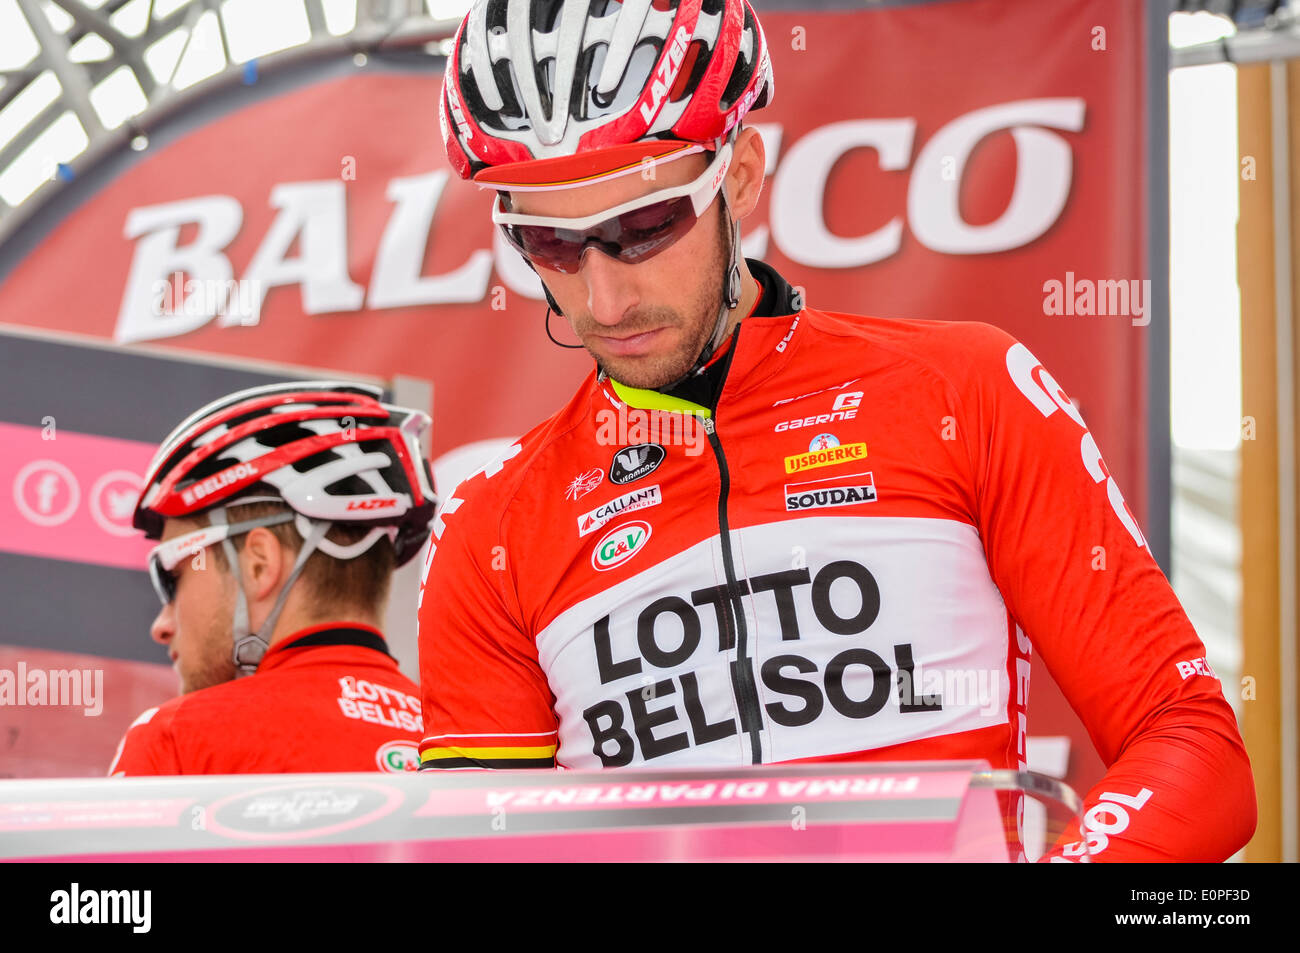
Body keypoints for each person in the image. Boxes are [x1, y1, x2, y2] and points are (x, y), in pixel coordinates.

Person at [418, 0, 1255, 861]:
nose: (602, 300)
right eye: (549, 242)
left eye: (641, 227)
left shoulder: (963, 389)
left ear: (740, 174)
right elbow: (476, 850)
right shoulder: (493, 527)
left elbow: (1191, 742)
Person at [109, 381, 437, 776]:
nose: (161, 626)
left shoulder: (177, 741)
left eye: (174, 575)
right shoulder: (459, 745)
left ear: (259, 564)